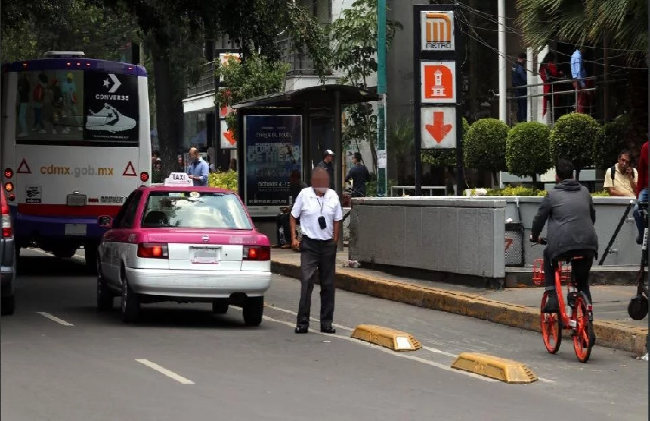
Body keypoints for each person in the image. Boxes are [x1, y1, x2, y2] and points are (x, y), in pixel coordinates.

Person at [530, 159, 598, 313]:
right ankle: (588, 325)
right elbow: (592, 218)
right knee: (583, 284)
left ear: (556, 177)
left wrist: (534, 236)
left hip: (563, 245)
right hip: (589, 244)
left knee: (548, 254)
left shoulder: (552, 194)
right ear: (573, 175)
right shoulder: (585, 192)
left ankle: (552, 296)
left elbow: (539, 219)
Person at [290, 167, 342, 334]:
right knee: (307, 282)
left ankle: (326, 322)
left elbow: (337, 220)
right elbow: (293, 216)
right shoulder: (304, 195)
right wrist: (293, 238)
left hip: (327, 245)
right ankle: (302, 322)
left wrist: (334, 240)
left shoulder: (333, 196)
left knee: (328, 285)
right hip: (310, 245)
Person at [539, 52, 563, 121]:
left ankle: (553, 121)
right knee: (555, 106)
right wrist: (560, 74)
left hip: (546, 88)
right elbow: (555, 74)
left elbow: (542, 76)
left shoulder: (542, 65)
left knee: (550, 106)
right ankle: (555, 121)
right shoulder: (551, 64)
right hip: (552, 87)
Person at [634, 140, 648, 244]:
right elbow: (642, 171)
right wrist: (638, 195)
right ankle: (643, 236)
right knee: (636, 210)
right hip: (647, 188)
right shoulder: (646, 147)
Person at [571, 46, 588, 114]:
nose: (585, 51)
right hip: (579, 81)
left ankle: (578, 113)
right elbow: (578, 72)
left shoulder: (574, 55)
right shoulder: (578, 57)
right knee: (581, 100)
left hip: (576, 80)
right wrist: (582, 84)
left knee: (579, 99)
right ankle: (580, 114)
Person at [511, 52, 527, 123]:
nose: (525, 62)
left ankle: (520, 121)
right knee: (523, 107)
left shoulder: (514, 65)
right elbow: (525, 78)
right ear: (523, 59)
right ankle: (523, 121)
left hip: (516, 89)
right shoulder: (520, 67)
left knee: (520, 107)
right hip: (522, 90)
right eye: (525, 60)